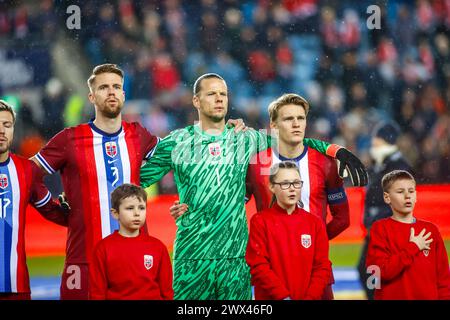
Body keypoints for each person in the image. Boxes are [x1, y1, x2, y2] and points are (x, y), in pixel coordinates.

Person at [140, 73, 366, 300]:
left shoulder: (247, 139)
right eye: (211, 94)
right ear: (196, 101)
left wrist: (336, 151)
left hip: (235, 258)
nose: (219, 99)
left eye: (223, 94)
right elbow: (135, 179)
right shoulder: (179, 142)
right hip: (192, 255)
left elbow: (292, 139)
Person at [31, 64, 160, 300]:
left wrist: (227, 132)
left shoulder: (139, 135)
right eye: (103, 87)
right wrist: (52, 210)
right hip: (84, 264)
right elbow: (25, 174)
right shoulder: (70, 139)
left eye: (116, 87)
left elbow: (179, 154)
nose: (111, 92)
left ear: (123, 94)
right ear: (91, 96)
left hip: (135, 261)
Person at [245, 93, 351, 299]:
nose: (296, 124)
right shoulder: (256, 164)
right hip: (270, 273)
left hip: (315, 273)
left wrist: (310, 242)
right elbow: (234, 205)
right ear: (274, 126)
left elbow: (342, 218)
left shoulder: (325, 164)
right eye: (288, 119)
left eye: (300, 118)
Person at [0, 100, 68, 300]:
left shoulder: (26, 171)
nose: (2, 131)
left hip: (16, 285)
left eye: (7, 125)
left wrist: (76, 211)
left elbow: (52, 212)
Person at [245, 161, 332, 300]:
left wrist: (310, 297)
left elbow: (322, 266)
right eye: (285, 184)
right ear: (272, 186)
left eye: (296, 183)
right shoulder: (260, 221)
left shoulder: (314, 223)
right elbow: (258, 265)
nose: (292, 189)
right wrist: (283, 296)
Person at [365, 170, 450, 300]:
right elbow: (378, 274)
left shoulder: (431, 230)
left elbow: (443, 279)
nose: (407, 196)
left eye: (411, 191)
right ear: (387, 197)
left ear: (416, 196)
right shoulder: (380, 229)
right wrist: (413, 247)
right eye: (400, 192)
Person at [357, 121, 412, 300]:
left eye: (377, 138)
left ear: (386, 140)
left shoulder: (399, 166)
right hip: (376, 230)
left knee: (377, 271)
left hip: (389, 231)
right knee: (370, 271)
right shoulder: (380, 165)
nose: (374, 142)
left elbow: (400, 201)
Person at [89, 184, 173, 300]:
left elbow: (167, 292)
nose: (137, 213)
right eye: (130, 208)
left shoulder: (158, 247)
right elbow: (97, 294)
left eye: (141, 208)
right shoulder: (103, 249)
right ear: (115, 213)